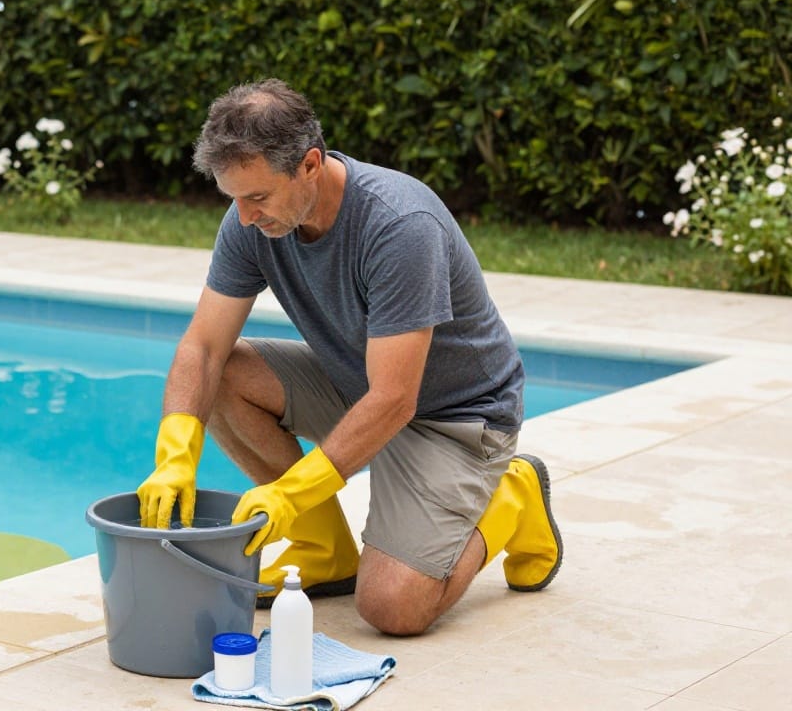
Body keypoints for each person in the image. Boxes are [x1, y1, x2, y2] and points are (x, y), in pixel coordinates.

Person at [135, 79, 562, 636]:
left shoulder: (399, 226)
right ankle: (328, 551)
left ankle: (514, 496)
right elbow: (203, 346)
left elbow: (394, 399)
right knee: (223, 374)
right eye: (233, 198)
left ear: (310, 164)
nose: (243, 217)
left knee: (393, 608)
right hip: (359, 383)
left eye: (258, 197)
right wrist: (175, 452)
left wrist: (291, 493)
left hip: (456, 418)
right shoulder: (252, 221)